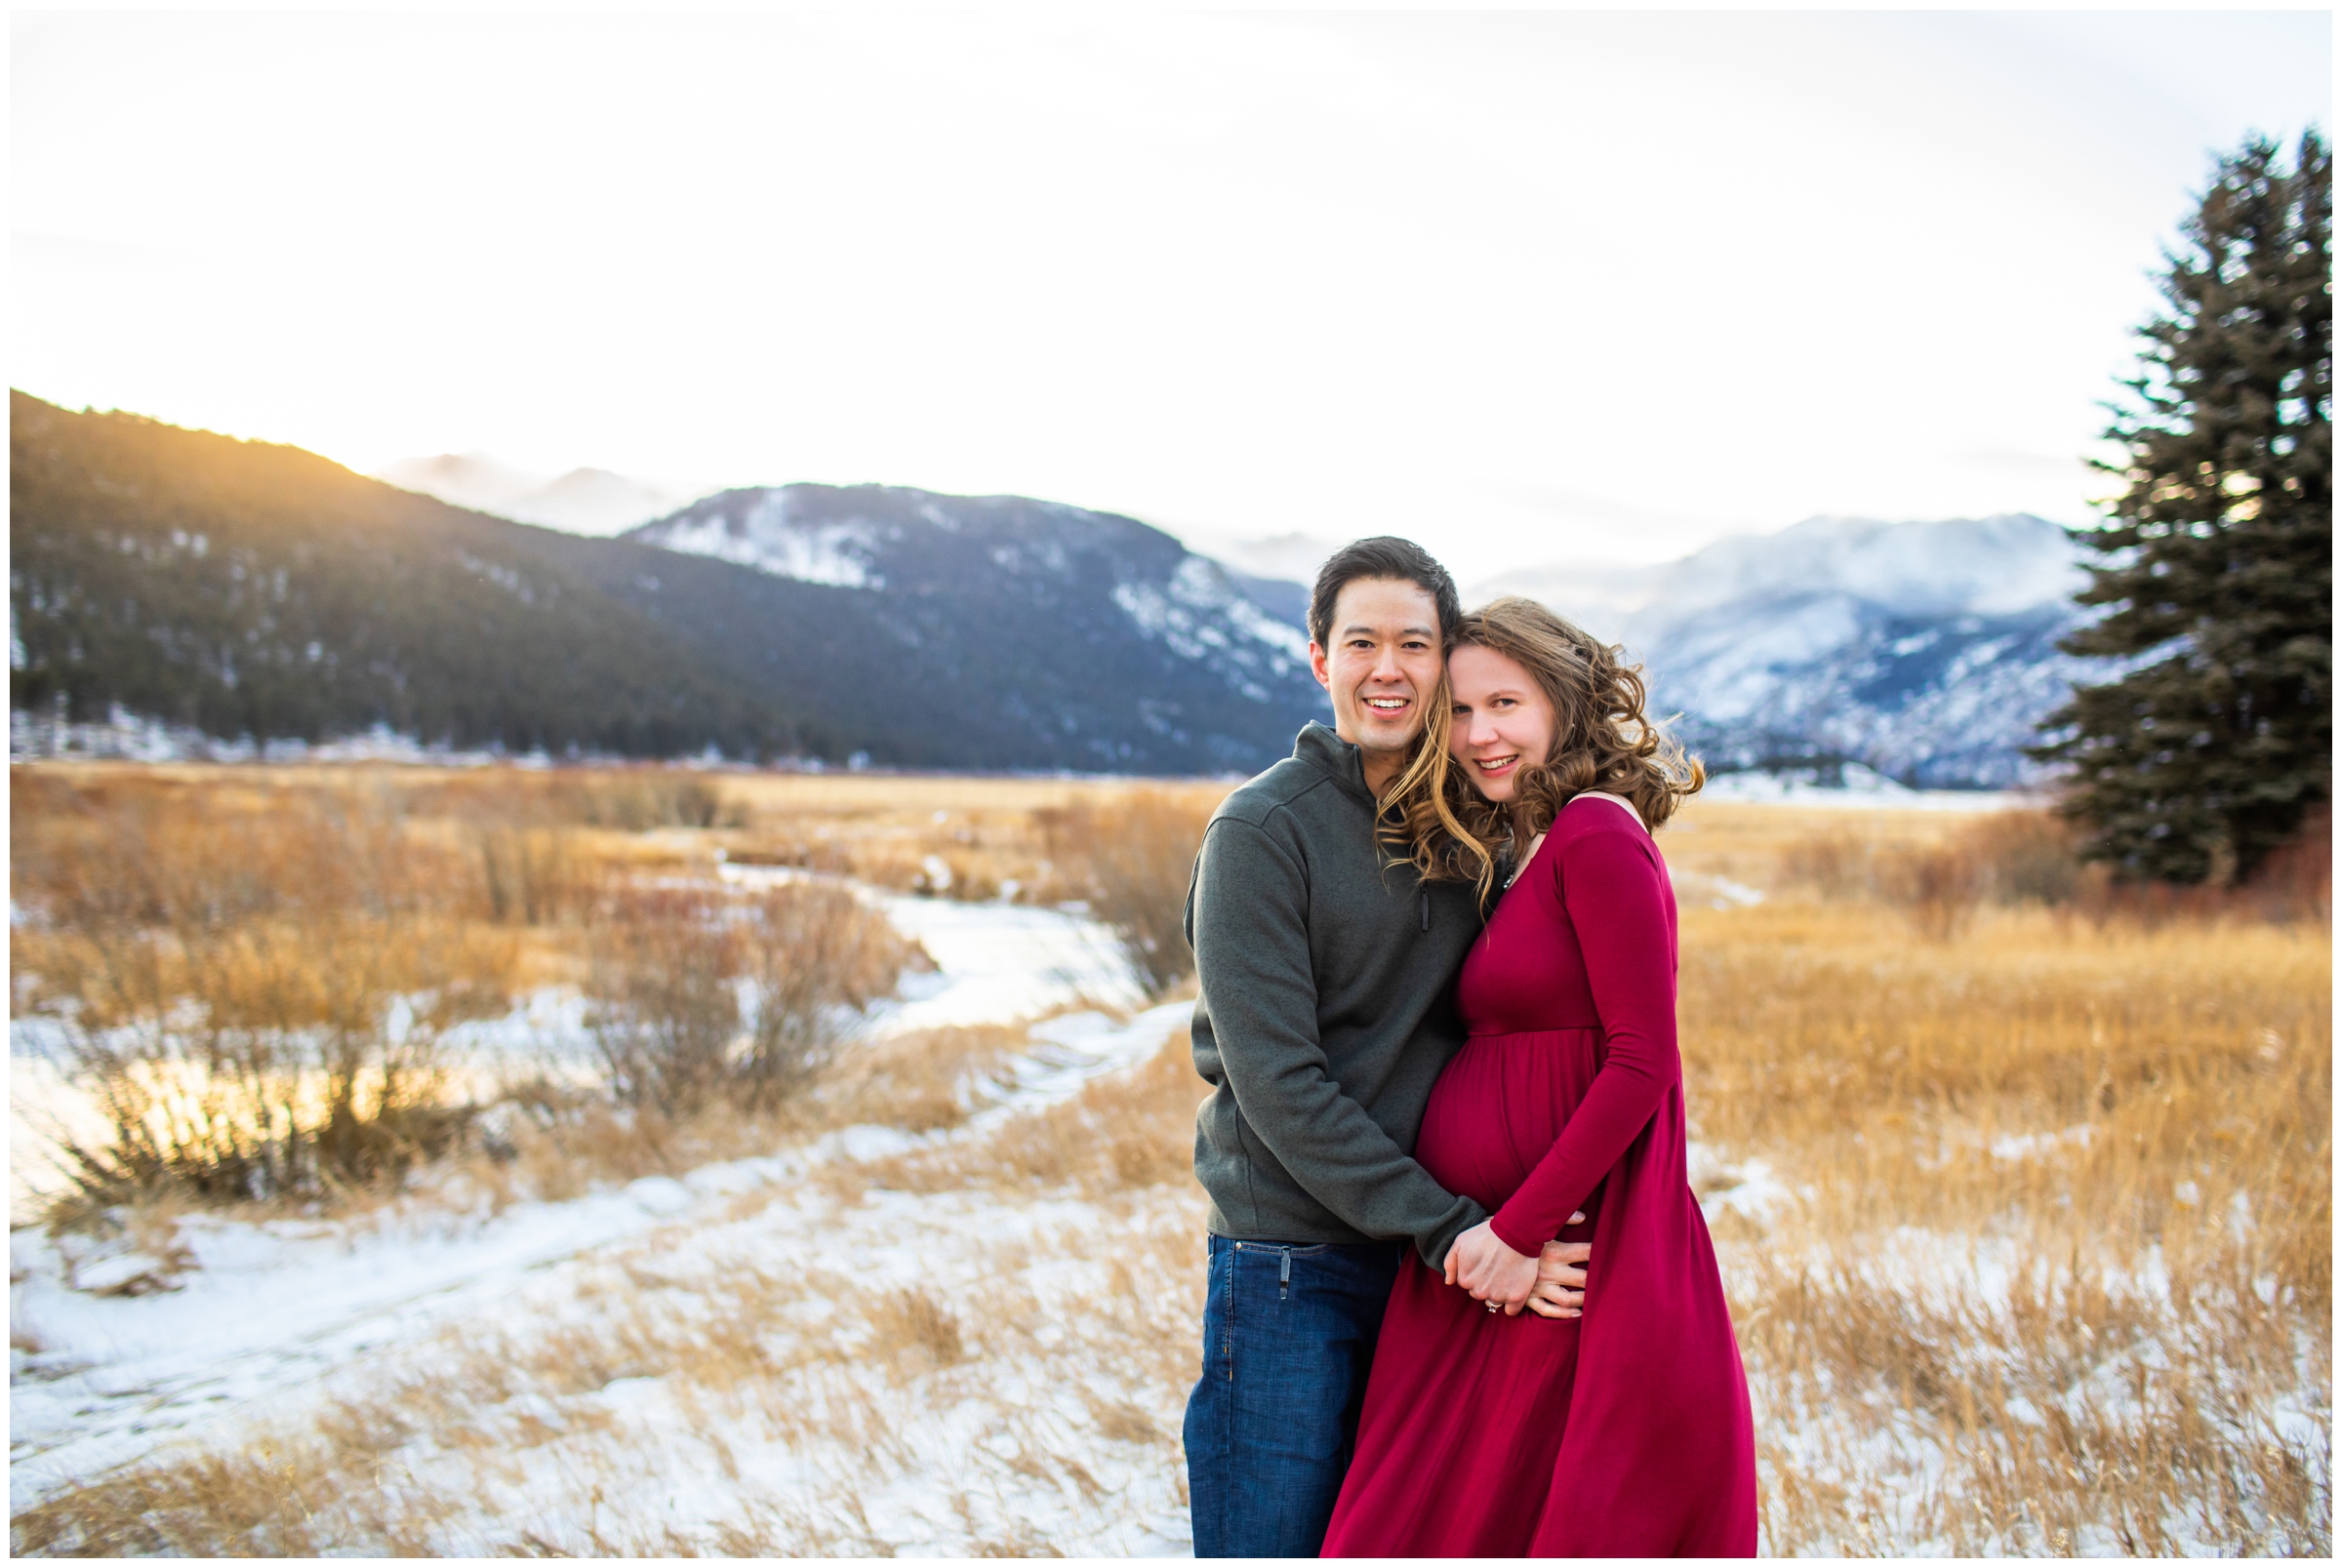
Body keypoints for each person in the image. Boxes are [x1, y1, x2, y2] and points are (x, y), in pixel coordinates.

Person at [1319, 595, 1759, 1557]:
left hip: (1560, 1254)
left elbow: (1642, 1060)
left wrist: (1515, 1235)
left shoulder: (1597, 834)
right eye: (1461, 713)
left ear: (1561, 702)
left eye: (1505, 703)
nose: (1481, 734)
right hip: (1494, 1258)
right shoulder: (1528, 846)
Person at [1182, 543, 1589, 1559]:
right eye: (1362, 641)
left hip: (1430, 1271)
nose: (1389, 667)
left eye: (1416, 642)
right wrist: (1459, 1232)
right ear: (1320, 659)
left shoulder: (1474, 824)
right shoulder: (1262, 831)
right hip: (1295, 1267)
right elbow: (1280, 1083)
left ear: (1447, 659)